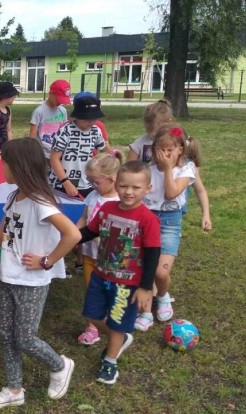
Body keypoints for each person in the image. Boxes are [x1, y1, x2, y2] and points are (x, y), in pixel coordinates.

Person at [0, 138, 79, 410]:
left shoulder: (40, 202)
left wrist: (47, 261)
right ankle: (14, 389)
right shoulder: (14, 197)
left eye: (5, 163)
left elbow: (73, 234)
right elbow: (2, 231)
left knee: (25, 338)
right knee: (7, 335)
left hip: (31, 282)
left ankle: (59, 365)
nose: (1, 167)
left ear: (18, 167)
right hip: (8, 276)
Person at [78, 160, 161, 384]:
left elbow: (153, 254)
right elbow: (88, 232)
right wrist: (66, 236)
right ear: (117, 184)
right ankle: (121, 338)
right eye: (124, 186)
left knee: (117, 322)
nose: (128, 192)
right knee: (91, 315)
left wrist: (145, 287)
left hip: (128, 283)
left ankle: (110, 362)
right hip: (100, 274)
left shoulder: (148, 219)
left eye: (136, 187)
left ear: (147, 189)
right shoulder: (106, 209)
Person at [135, 125, 200, 331]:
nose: (165, 154)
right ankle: (145, 311)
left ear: (180, 149)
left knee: (161, 273)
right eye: (160, 149)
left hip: (170, 222)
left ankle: (162, 296)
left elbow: (171, 194)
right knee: (144, 269)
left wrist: (169, 168)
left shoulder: (186, 169)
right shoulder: (147, 170)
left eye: (170, 149)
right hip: (147, 221)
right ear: (153, 150)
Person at [129, 100, 211, 232]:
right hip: (150, 194)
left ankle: (172, 226)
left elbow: (198, 186)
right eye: (148, 130)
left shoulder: (179, 142)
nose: (152, 135)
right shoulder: (140, 144)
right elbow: (128, 170)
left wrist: (206, 213)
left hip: (173, 193)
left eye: (155, 131)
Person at [74, 152, 124, 346]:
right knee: (90, 291)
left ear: (112, 179)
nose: (92, 185)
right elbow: (83, 220)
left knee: (113, 292)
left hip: (112, 259)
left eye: (95, 181)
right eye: (90, 181)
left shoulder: (121, 200)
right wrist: (75, 238)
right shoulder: (92, 196)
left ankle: (116, 323)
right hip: (89, 255)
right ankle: (92, 327)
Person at [49, 93, 109, 198]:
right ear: (77, 116)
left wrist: (114, 156)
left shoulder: (95, 130)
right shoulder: (65, 131)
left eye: (94, 118)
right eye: (87, 118)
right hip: (62, 183)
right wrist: (66, 183)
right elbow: (54, 159)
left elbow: (104, 149)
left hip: (87, 182)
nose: (91, 122)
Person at [29, 79, 71, 159]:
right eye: (58, 99)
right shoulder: (39, 111)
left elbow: (64, 131)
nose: (60, 102)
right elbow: (32, 136)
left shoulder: (62, 111)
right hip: (42, 155)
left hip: (58, 153)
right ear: (51, 93)